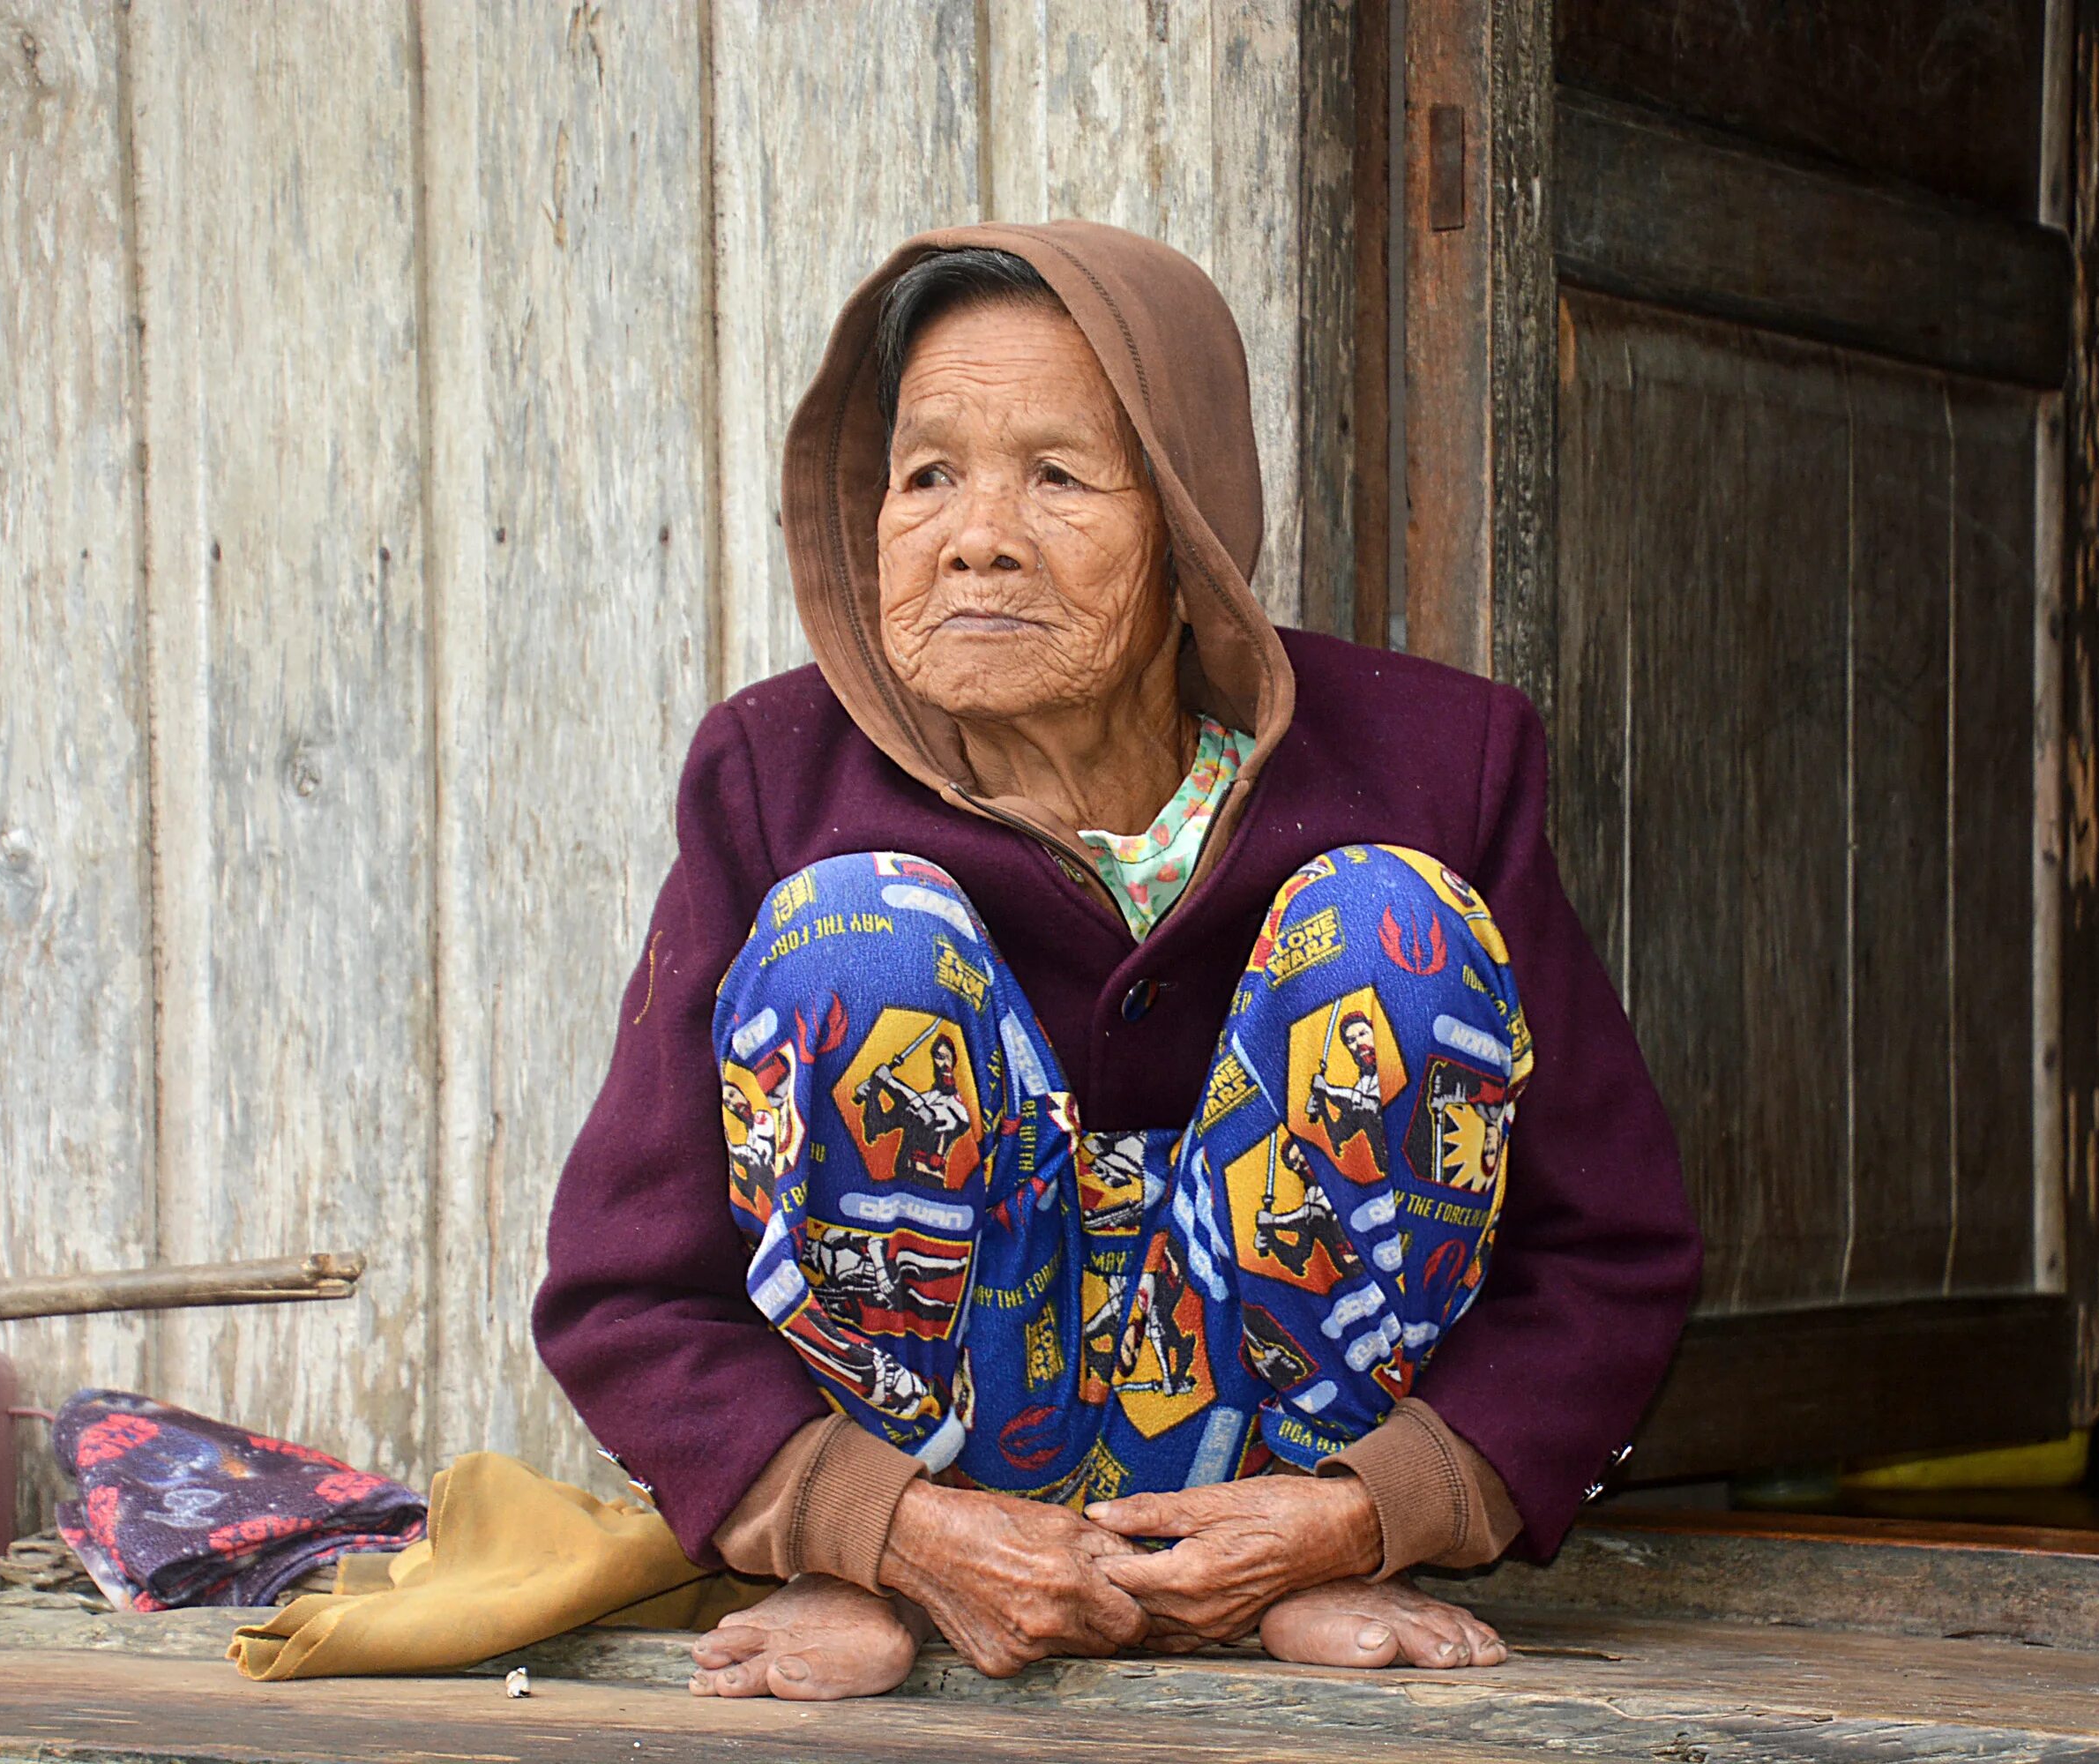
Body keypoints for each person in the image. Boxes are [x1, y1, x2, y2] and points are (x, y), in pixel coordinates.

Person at [534, 222, 1699, 1701]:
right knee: (860, 944)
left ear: (1189, 528)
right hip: (918, 1487)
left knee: (1382, 933)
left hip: (1296, 1473)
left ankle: (1295, 1556)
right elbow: (625, 1285)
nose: (977, 535)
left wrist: (1372, 1511)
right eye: (927, 474)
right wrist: (858, 1523)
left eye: (1060, 477)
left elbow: (1611, 1246)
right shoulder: (775, 775)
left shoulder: (1438, 762)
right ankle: (898, 1566)